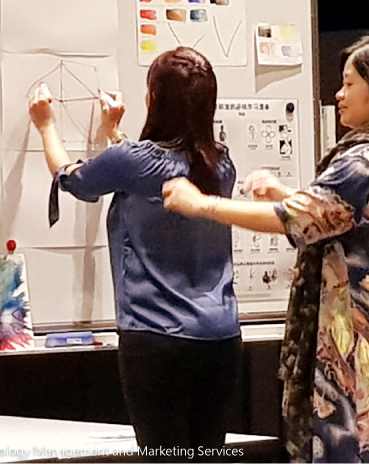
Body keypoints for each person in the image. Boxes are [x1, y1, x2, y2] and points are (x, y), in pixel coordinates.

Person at [162, 35, 369, 463]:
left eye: (350, 84)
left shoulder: (362, 162)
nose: (339, 94)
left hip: (345, 355)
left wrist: (202, 204)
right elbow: (340, 215)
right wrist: (285, 192)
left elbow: (292, 220)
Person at [28, 47, 241, 462]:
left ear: (153, 99)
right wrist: (114, 134)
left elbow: (74, 180)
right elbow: (155, 170)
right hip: (221, 338)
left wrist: (46, 125)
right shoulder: (221, 164)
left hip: (156, 339)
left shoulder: (132, 162)